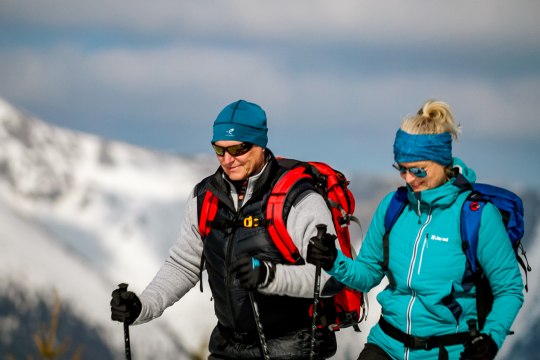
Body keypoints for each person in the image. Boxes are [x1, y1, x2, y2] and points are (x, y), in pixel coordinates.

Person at [110, 99, 338, 359]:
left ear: (260, 144)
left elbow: (332, 277)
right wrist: (142, 307)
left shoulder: (298, 199)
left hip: (291, 349)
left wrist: (268, 276)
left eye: (239, 149)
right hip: (227, 347)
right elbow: (184, 264)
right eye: (219, 150)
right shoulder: (205, 197)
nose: (228, 160)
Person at [307, 100, 524, 359]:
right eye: (402, 169)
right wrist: (334, 261)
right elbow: (368, 274)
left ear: (442, 162)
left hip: (446, 351)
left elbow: (509, 289)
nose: (409, 179)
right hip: (384, 345)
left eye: (418, 170)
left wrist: (491, 338)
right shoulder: (393, 206)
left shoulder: (477, 216)